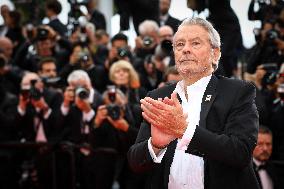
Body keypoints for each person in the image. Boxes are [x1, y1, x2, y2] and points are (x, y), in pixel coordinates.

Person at [128, 17, 260, 189]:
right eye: (180, 45)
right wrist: (155, 145)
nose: (186, 50)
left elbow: (240, 152)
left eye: (195, 43)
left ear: (215, 53)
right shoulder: (158, 95)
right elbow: (135, 163)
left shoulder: (237, 92)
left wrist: (184, 130)